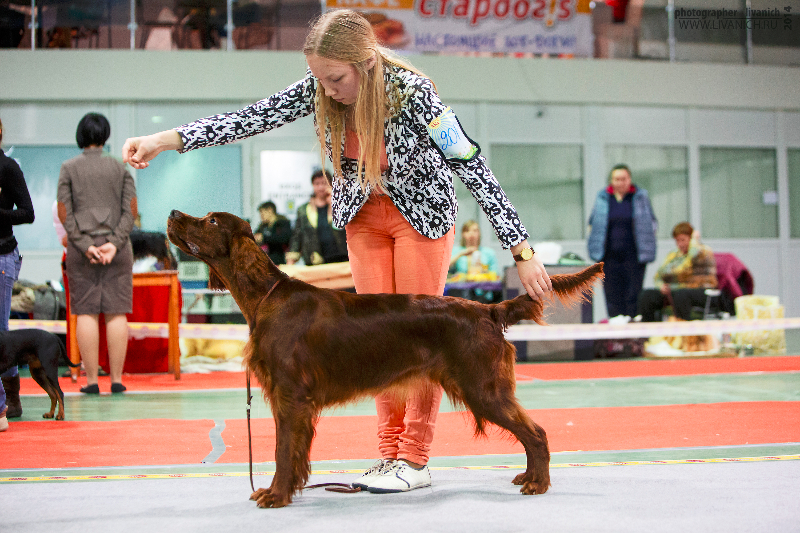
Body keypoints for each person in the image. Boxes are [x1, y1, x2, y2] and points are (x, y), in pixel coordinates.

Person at [121, 9, 552, 493]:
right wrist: (164, 140)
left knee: (420, 335)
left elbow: (470, 163)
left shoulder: (415, 94)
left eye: (334, 79)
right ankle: (388, 455)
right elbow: (246, 119)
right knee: (372, 338)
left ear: (366, 63)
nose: (326, 90)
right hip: (364, 219)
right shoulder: (319, 87)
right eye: (318, 79)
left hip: (421, 218)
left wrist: (521, 247)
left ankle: (414, 459)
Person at [58, 113, 136, 395]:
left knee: (86, 312)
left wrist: (84, 244)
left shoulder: (68, 168)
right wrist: (114, 244)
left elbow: (64, 213)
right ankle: (116, 379)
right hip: (118, 250)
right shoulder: (120, 168)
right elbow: (131, 212)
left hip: (83, 252)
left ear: (81, 136)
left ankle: (91, 381)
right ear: (105, 135)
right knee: (116, 313)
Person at [0, 117, 35, 430]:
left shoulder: (8, 167)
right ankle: (8, 396)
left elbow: (28, 213)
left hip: (3, 255)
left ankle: (4, 403)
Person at [587, 164, 657, 318]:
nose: (620, 182)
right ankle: (616, 332)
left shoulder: (640, 197)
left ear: (629, 180)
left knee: (633, 295)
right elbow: (594, 223)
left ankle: (632, 331)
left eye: (623, 179)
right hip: (609, 257)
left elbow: (651, 222)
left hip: (634, 257)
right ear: (611, 181)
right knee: (612, 295)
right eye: (616, 179)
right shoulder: (603, 197)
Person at [637, 222, 717, 322]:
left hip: (701, 290)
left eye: (683, 240)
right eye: (677, 241)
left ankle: (682, 333)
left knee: (681, 295)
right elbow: (659, 275)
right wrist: (661, 286)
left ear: (691, 239)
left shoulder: (703, 252)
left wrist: (694, 243)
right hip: (677, 291)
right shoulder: (674, 255)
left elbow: (685, 268)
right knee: (647, 295)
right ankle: (649, 333)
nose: (680, 244)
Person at [286, 170, 348, 266]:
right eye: (316, 184)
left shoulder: (341, 206)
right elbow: (297, 236)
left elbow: (346, 230)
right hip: (315, 260)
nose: (320, 187)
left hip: (341, 260)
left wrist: (334, 203)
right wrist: (291, 261)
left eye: (324, 183)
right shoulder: (303, 210)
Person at [254, 200, 291, 265]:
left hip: (278, 262)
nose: (261, 216)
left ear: (270, 210)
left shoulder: (283, 223)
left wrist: (264, 238)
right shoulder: (263, 226)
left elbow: (283, 238)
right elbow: (255, 236)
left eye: (262, 213)